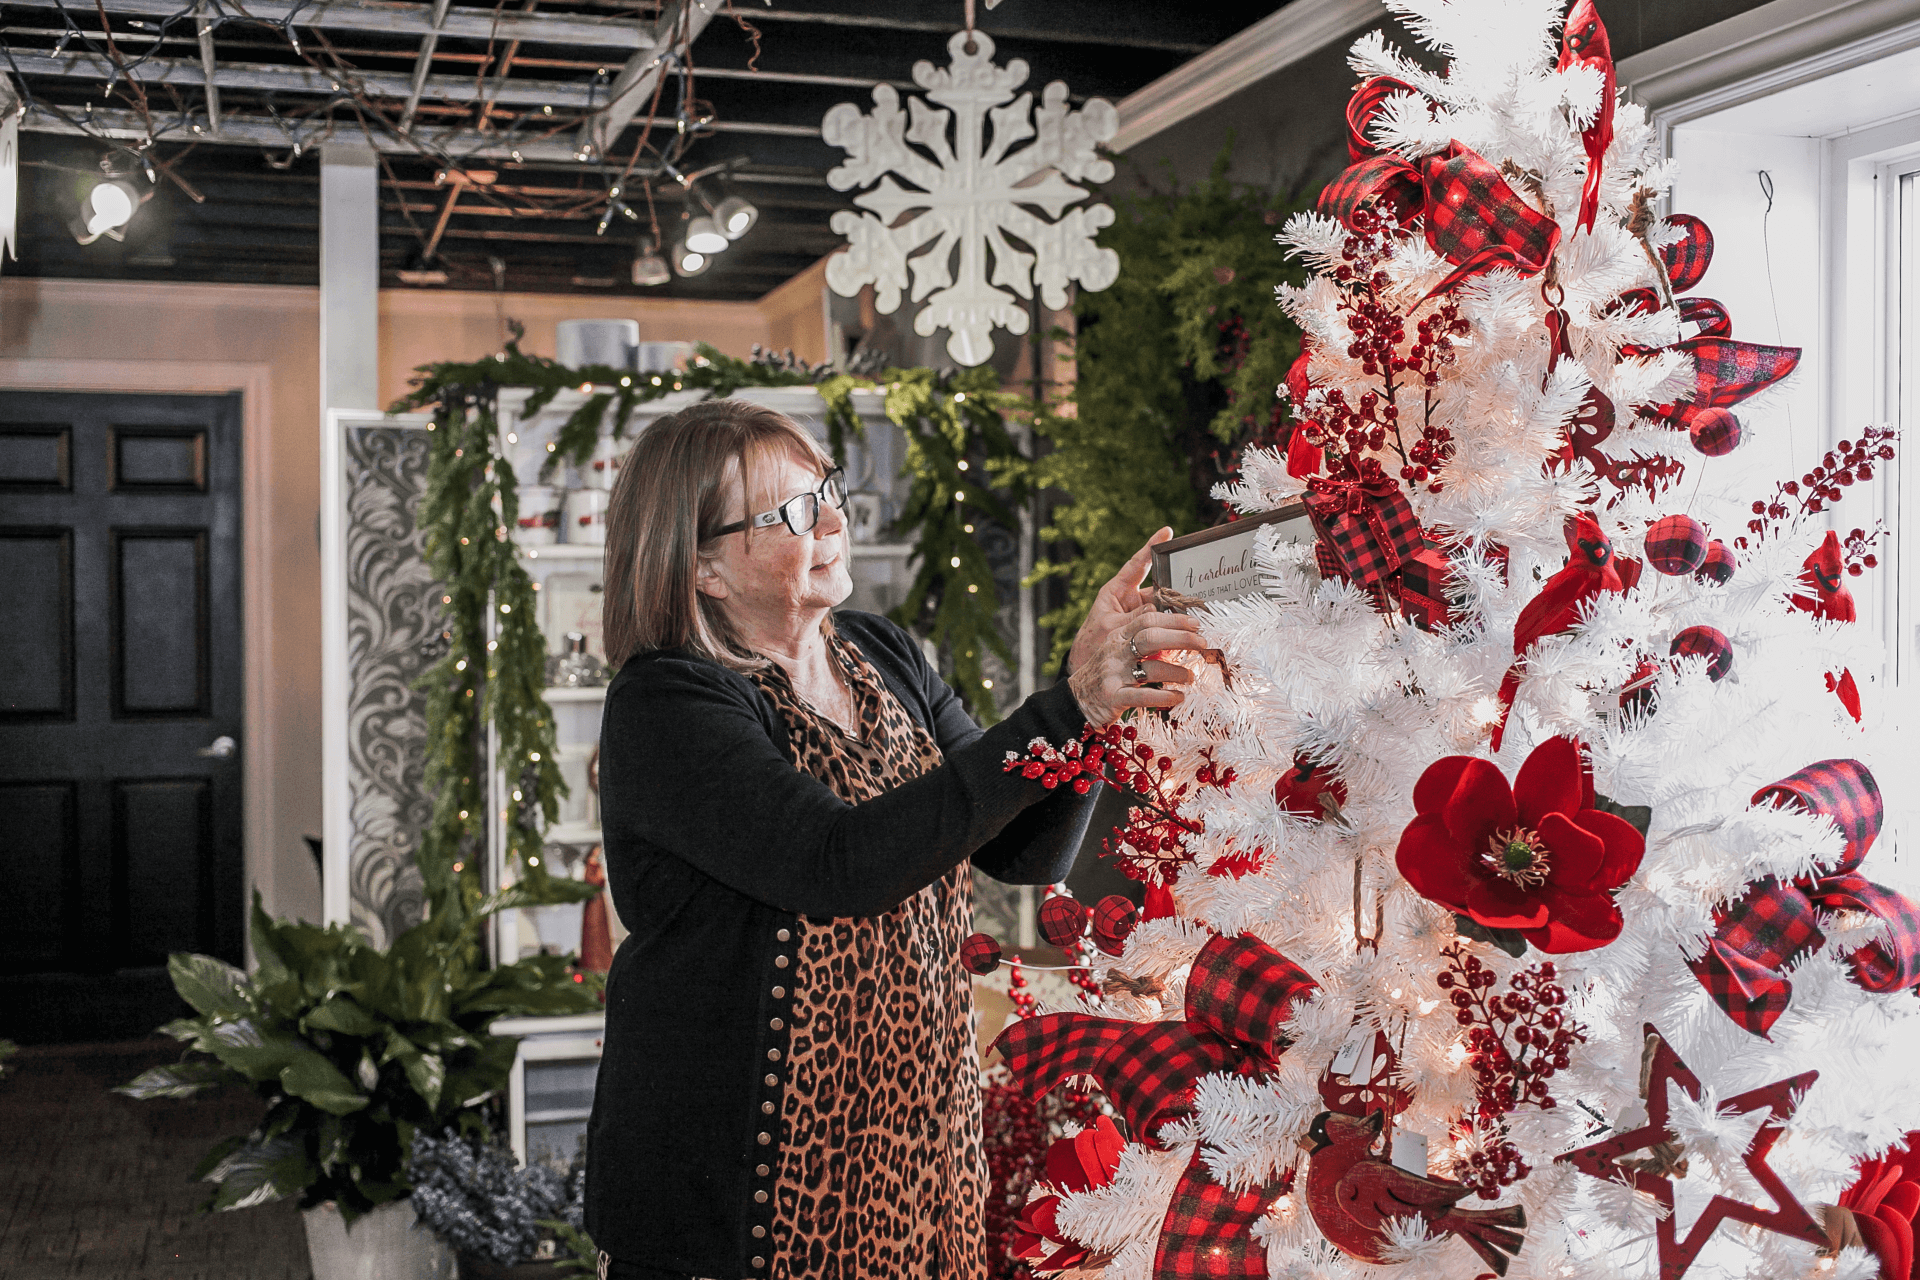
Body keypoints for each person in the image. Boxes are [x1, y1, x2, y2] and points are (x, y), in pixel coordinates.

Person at [583, 398, 1203, 1280]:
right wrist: (1065, 709)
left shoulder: (882, 654)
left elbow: (1022, 854)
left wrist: (1095, 721)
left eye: (827, 490)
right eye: (792, 512)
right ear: (704, 567)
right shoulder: (667, 704)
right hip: (730, 1198)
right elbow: (839, 864)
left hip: (913, 1165)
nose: (834, 519)